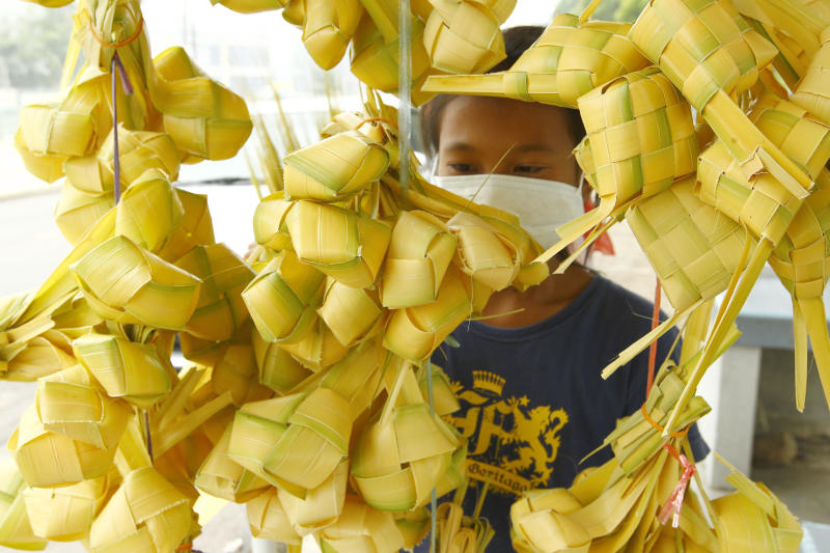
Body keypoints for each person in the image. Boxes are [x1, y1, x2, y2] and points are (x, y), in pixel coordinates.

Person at [417, 26, 708, 551]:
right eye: (462, 166)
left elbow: (666, 513)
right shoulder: (393, 321)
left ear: (588, 178)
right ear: (433, 173)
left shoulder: (641, 344)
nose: (490, 193)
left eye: (527, 168)